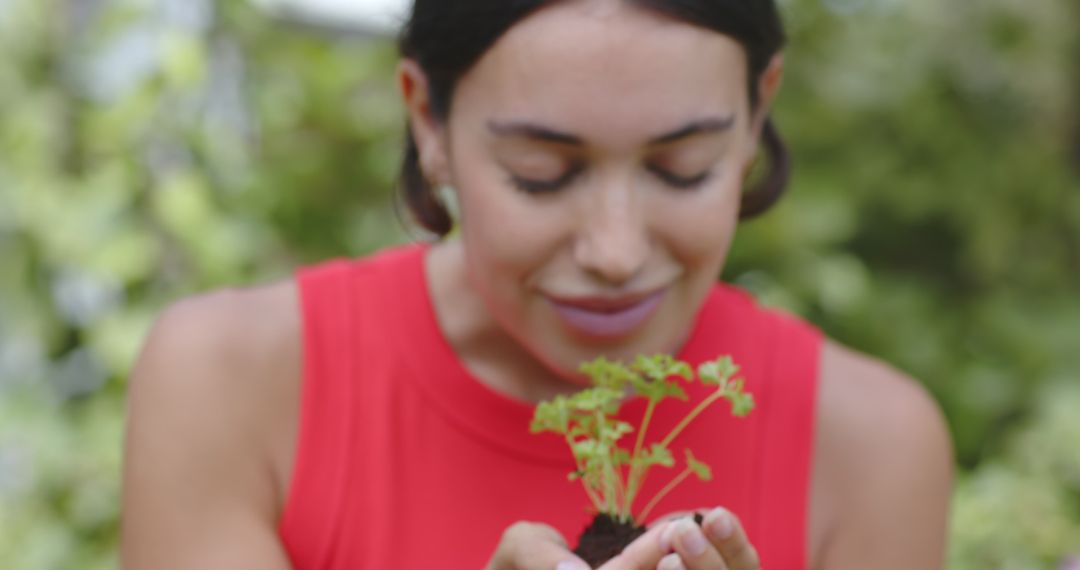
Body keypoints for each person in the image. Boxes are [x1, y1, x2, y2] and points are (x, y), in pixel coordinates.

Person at [120, 0, 954, 568]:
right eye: (541, 174)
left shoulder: (872, 447)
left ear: (756, 121)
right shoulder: (231, 385)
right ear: (427, 122)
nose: (617, 251)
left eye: (682, 167)